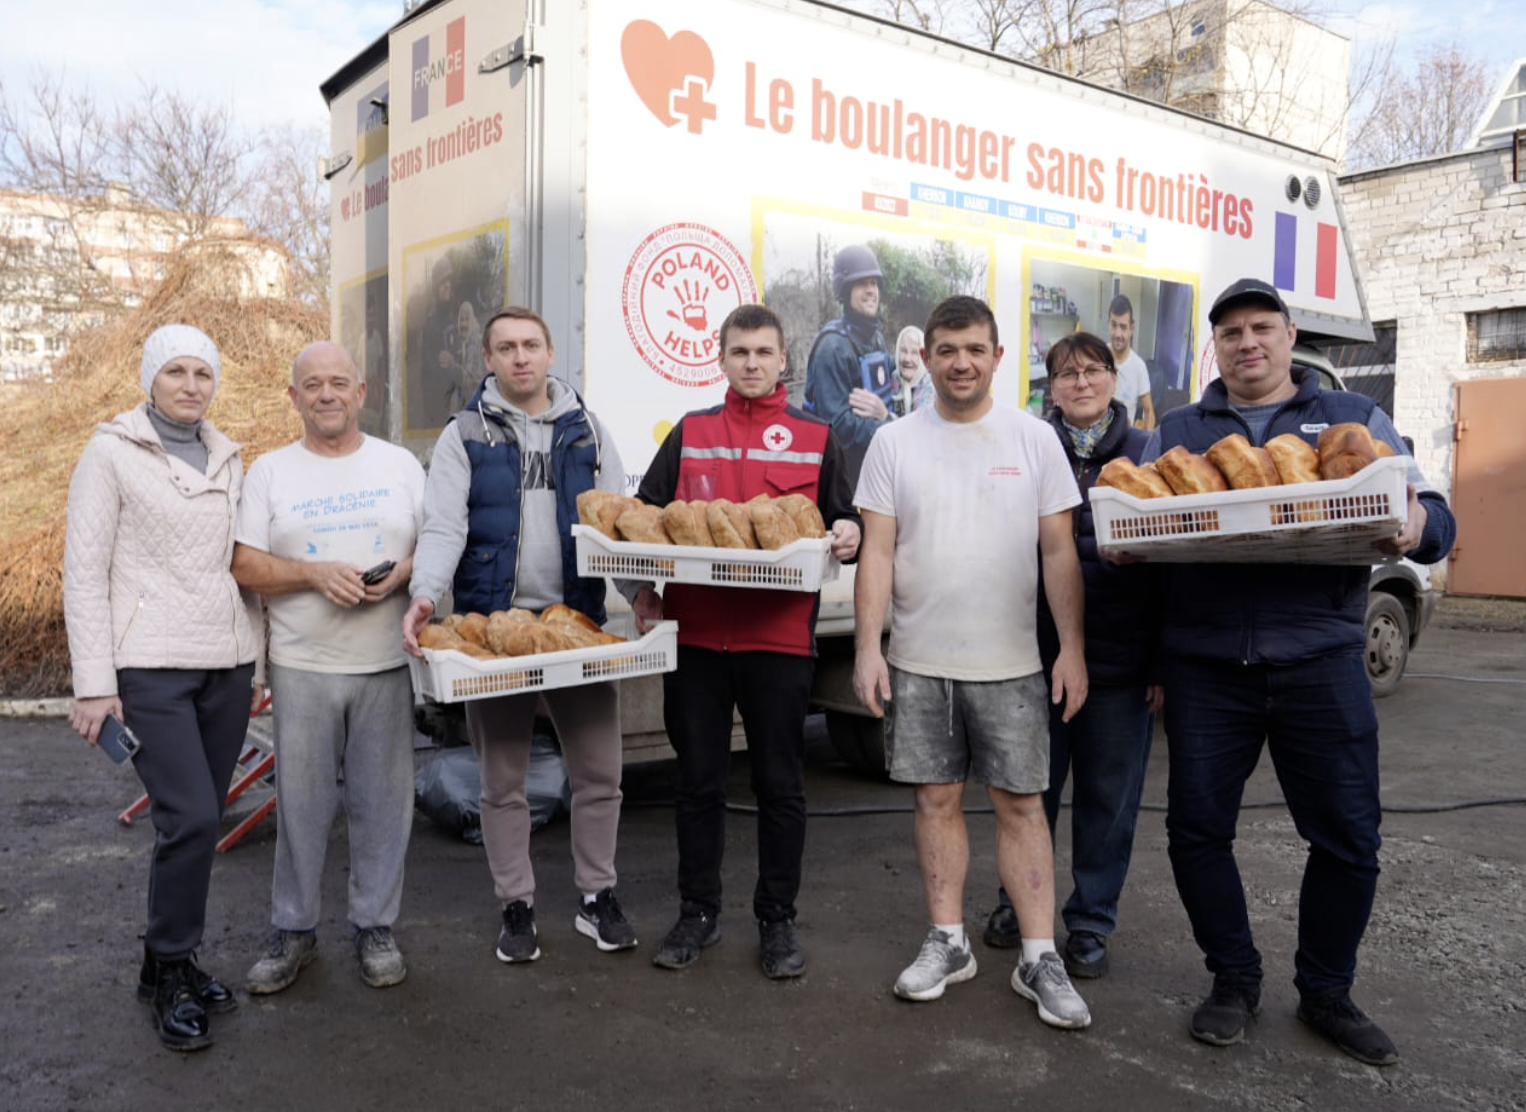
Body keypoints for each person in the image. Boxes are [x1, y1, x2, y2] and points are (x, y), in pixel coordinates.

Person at [1144, 276, 1457, 1066]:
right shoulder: (1179, 431)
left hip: (1320, 657)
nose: (1246, 343)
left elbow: (1435, 520)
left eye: (1261, 328)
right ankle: (1234, 979)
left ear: (1288, 337)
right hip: (1207, 666)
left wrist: (1415, 523)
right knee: (1195, 834)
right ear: (1214, 347)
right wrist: (1125, 550)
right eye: (1230, 333)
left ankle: (1327, 991)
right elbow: (1144, 529)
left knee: (1349, 838)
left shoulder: (1352, 419)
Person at [852, 295, 1093, 1030]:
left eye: (975, 349)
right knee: (935, 802)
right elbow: (879, 552)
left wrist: (1072, 651)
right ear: (926, 358)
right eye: (947, 349)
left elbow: (1060, 553)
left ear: (997, 356)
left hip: (1014, 664)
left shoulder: (1034, 441)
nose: (961, 362)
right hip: (921, 663)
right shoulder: (893, 443)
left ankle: (1038, 955)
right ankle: (948, 940)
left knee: (1022, 806)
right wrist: (868, 647)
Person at [402, 306, 638, 964]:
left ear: (551, 350)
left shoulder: (587, 430)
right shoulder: (464, 435)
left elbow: (614, 527)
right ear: (488, 359)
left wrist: (641, 597)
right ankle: (516, 906)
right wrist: (425, 597)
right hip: (492, 633)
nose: (520, 357)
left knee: (600, 775)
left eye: (531, 344)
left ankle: (597, 898)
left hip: (576, 626)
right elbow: (445, 526)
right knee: (501, 782)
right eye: (505, 347)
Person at [633, 303, 861, 980]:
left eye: (764, 352)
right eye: (740, 352)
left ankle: (777, 920)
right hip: (697, 639)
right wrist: (641, 588)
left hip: (779, 641)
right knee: (698, 783)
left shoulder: (818, 438)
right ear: (722, 357)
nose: (753, 363)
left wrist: (851, 534)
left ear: (783, 358)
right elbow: (641, 520)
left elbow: (845, 523)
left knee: (779, 785)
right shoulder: (691, 433)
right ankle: (697, 913)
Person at [63, 324, 263, 1052]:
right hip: (147, 666)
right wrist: (93, 685)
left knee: (200, 820)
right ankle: (173, 970)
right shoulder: (109, 454)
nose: (190, 384)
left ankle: (162, 964)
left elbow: (242, 566)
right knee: (190, 820)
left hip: (226, 663)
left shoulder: (229, 456)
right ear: (151, 377)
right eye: (175, 371)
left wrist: (258, 662)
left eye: (202, 373)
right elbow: (83, 574)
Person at [232, 341, 425, 995]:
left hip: (384, 664)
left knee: (383, 806)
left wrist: (403, 571)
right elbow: (245, 565)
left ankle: (375, 927)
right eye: (312, 385)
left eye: (339, 382)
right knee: (303, 808)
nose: (326, 394)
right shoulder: (270, 472)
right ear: (294, 398)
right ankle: (294, 931)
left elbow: (433, 544)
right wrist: (313, 574)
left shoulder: (400, 465)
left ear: (361, 392)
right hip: (302, 663)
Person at [982, 332, 1162, 973]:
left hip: (1121, 660)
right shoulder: (1027, 448)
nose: (1080, 383)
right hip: (1030, 660)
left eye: (1092, 370)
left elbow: (1175, 568)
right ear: (1049, 387)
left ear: (1115, 378)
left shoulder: (1149, 451)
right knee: (1027, 791)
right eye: (1065, 373)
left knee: (1107, 800)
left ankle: (1090, 922)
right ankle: (1017, 902)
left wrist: (1162, 663)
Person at [803, 244, 896, 483]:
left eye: (874, 283)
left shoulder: (875, 337)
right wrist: (890, 428)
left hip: (875, 463)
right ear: (845, 291)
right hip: (841, 477)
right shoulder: (832, 347)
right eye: (861, 283)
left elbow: (884, 381)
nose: (870, 290)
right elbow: (838, 428)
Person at [1106, 294, 1156, 430]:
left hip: (1124, 441)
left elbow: (1149, 412)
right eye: (1114, 325)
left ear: (1132, 329)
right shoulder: (1098, 356)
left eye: (1123, 327)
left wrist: (1146, 442)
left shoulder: (1139, 367)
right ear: (1108, 324)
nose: (1117, 334)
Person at [443, 300, 484, 414]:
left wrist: (453, 365)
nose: (464, 324)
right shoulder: (459, 342)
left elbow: (469, 376)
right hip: (461, 394)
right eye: (461, 320)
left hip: (474, 396)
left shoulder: (476, 342)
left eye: (467, 320)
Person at [891, 325, 933, 418]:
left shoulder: (930, 387)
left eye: (914, 353)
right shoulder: (895, 378)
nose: (907, 359)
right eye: (903, 351)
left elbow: (918, 428)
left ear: (924, 356)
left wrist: (886, 417)